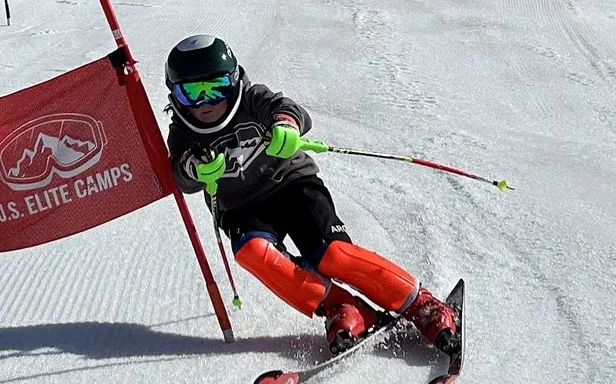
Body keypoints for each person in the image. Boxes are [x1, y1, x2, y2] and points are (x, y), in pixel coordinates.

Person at [164, 34, 458, 356]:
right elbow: (180, 173)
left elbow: (288, 109)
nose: (206, 102)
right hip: (239, 207)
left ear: (233, 81)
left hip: (291, 183)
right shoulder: (183, 131)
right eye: (192, 92)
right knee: (252, 251)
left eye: (216, 87)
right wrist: (195, 170)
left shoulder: (251, 98)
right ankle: (341, 307)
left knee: (332, 255)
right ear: (175, 94)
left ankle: (422, 304)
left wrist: (285, 126)